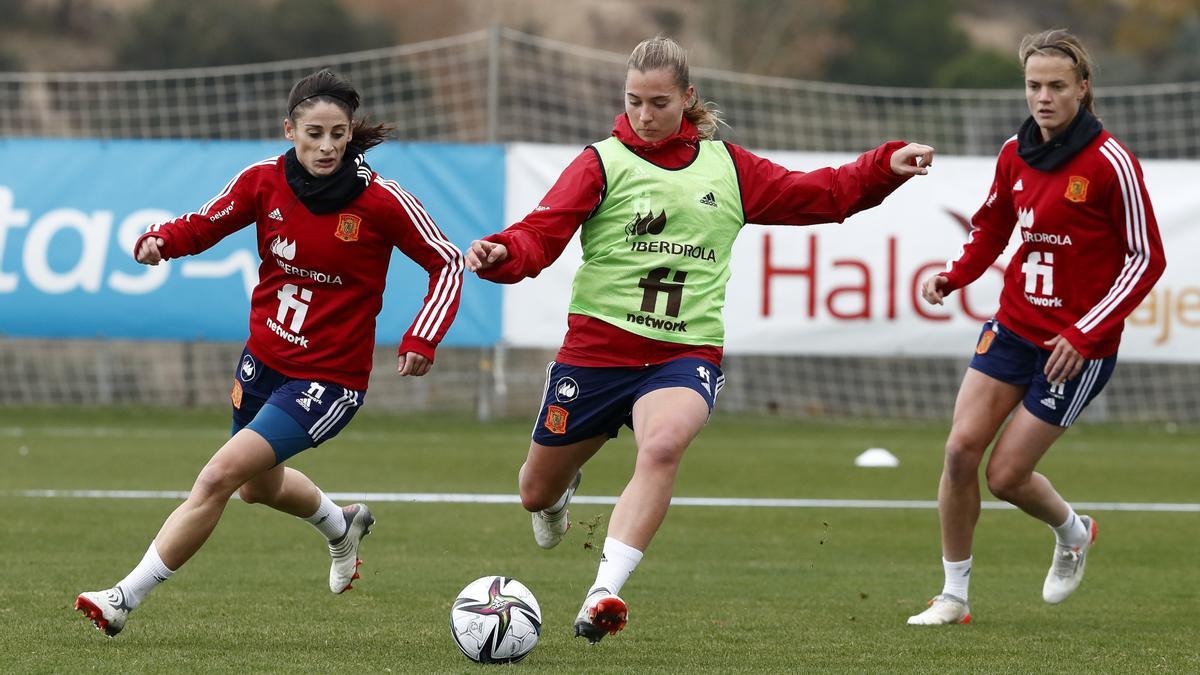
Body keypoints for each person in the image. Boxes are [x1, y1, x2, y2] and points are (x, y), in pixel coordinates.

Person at [466, 35, 934, 643]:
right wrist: (504, 252)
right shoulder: (600, 163)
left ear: (687, 98)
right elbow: (542, 232)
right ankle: (558, 497)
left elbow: (818, 194)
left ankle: (603, 592)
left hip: (683, 354)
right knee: (534, 492)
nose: (643, 114)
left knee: (661, 447)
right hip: (596, 353)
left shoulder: (728, 167)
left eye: (658, 102)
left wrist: (881, 166)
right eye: (633, 101)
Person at [75, 69, 465, 637]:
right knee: (258, 487)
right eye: (314, 134)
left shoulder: (381, 202)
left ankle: (121, 599)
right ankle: (341, 525)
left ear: (350, 133)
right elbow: (208, 222)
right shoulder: (263, 181)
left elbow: (447, 262)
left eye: (338, 134)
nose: (327, 146)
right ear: (290, 131)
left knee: (218, 478)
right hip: (262, 361)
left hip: (328, 380)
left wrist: (421, 337)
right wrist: (163, 240)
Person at [907, 29, 1165, 626]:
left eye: (1056, 86)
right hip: (1014, 325)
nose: (1043, 97)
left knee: (1006, 476)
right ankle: (953, 596)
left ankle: (1073, 532)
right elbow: (992, 225)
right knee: (958, 452)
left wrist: (1083, 332)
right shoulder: (1013, 151)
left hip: (1076, 347)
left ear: (1083, 88)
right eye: (1033, 85)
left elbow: (1147, 258)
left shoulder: (1110, 164)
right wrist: (956, 275)